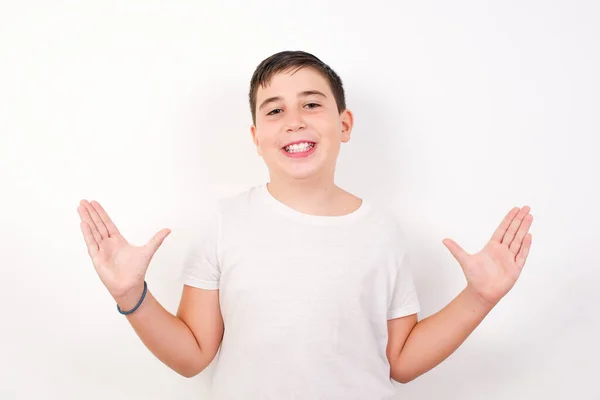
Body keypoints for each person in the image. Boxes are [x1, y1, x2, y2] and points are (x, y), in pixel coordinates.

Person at [77, 50, 534, 399]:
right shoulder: (225, 223)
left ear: (344, 123)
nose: (293, 121)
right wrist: (129, 295)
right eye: (274, 110)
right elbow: (192, 354)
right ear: (257, 138)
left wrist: (479, 297)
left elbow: (401, 360)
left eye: (311, 104)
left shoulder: (383, 232)